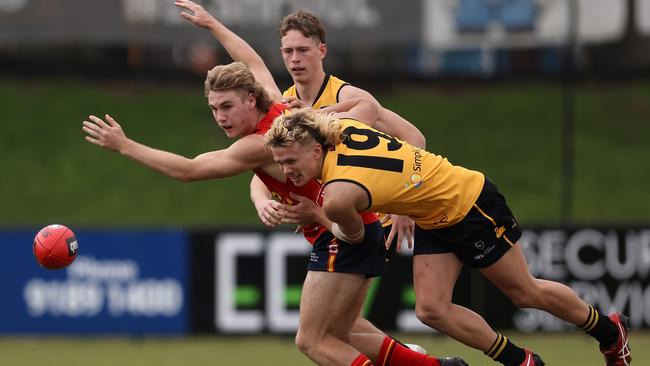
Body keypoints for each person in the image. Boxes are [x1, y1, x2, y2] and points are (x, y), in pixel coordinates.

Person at [81, 61, 466, 366]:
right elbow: (253, 62)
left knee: (312, 341)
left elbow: (189, 170)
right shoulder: (283, 112)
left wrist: (125, 145)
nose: (220, 116)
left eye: (227, 106)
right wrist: (212, 23)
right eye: (214, 108)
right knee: (345, 332)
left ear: (252, 100)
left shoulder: (260, 142)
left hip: (341, 232)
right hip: (357, 227)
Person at [264, 107, 633, 366]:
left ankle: (608, 331)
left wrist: (316, 214)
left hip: (468, 202)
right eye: (279, 163)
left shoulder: (339, 195)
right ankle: (520, 360)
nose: (286, 171)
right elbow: (368, 105)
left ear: (315, 149)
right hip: (432, 215)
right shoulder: (341, 126)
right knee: (431, 310)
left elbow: (355, 236)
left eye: (291, 162)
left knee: (524, 292)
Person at [175, 1, 422, 252]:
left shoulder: (346, 96)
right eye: (288, 51)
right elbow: (264, 165)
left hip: (383, 221)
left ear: (322, 50)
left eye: (303, 50)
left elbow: (414, 137)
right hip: (339, 227)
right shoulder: (284, 103)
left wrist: (406, 204)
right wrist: (262, 201)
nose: (294, 59)